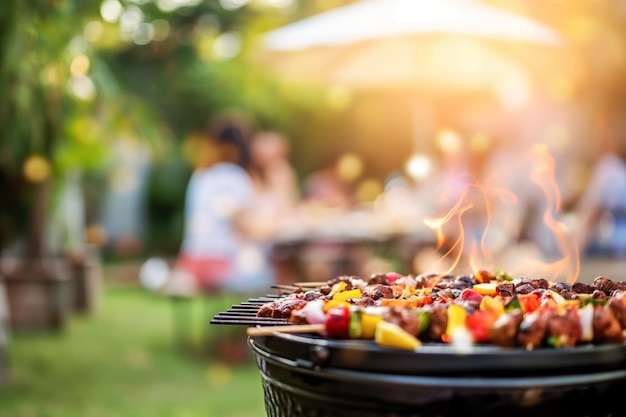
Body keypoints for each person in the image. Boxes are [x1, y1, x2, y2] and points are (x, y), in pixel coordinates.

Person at [173, 119, 276, 295]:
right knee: (280, 269)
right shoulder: (234, 177)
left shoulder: (201, 175)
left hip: (192, 263)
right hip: (223, 267)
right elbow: (244, 226)